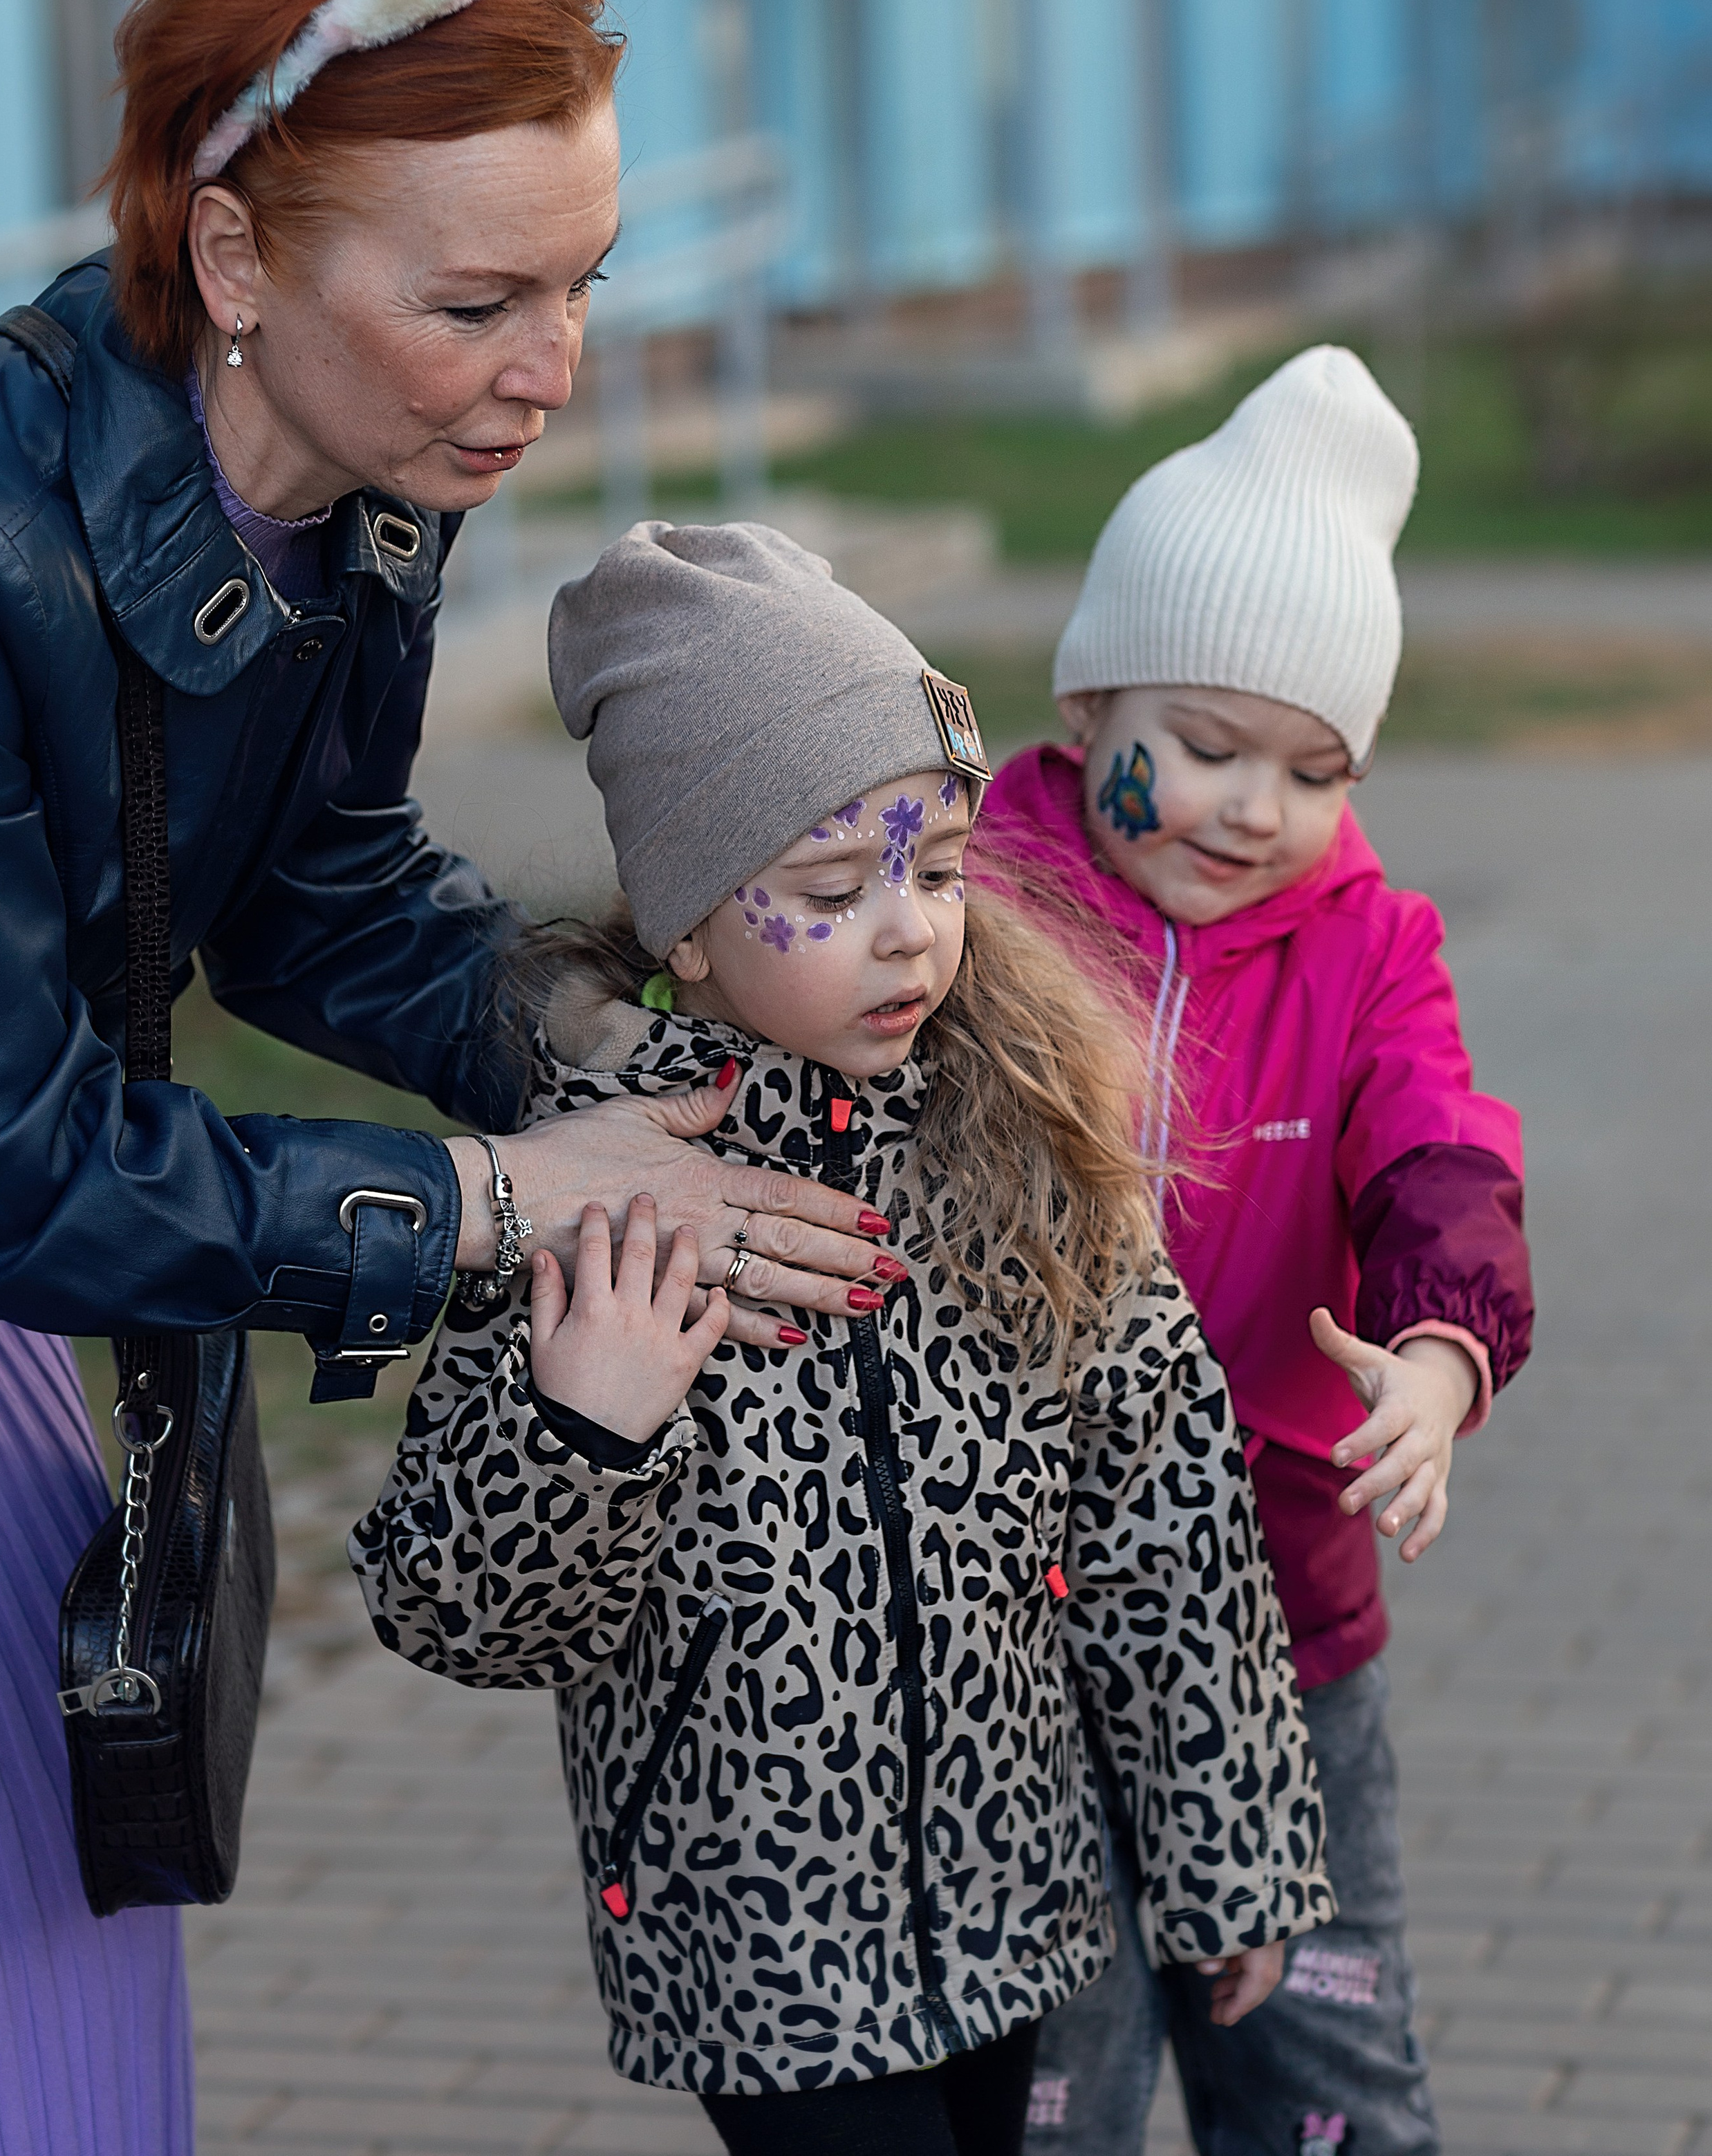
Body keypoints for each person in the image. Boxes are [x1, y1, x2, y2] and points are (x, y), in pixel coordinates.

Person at [0, 0, 893, 2154]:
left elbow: (316, 891)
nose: (548, 374)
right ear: (235, 257)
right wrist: (487, 1201)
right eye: (479, 301)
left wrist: (629, 1063)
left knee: (54, 2000)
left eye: (581, 285)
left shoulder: (369, 471)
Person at [351, 519, 1335, 2156]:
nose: (908, 929)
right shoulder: (597, 1194)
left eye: (935, 868)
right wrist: (583, 1427)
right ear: (687, 926)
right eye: (831, 889)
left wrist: (1224, 1853)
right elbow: (454, 1613)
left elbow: (1168, 1532)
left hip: (1010, 1908)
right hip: (760, 1952)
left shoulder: (1023, 1159)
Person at [975, 346, 1535, 2156]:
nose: (1248, 810)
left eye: (1311, 771)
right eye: (1206, 748)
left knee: (1320, 2074)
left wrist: (1440, 1351)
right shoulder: (965, 908)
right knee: (1047, 2092)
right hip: (1010, 1636)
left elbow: (1442, 1149)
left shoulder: (1371, 947)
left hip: (1281, 1619)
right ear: (1087, 706)